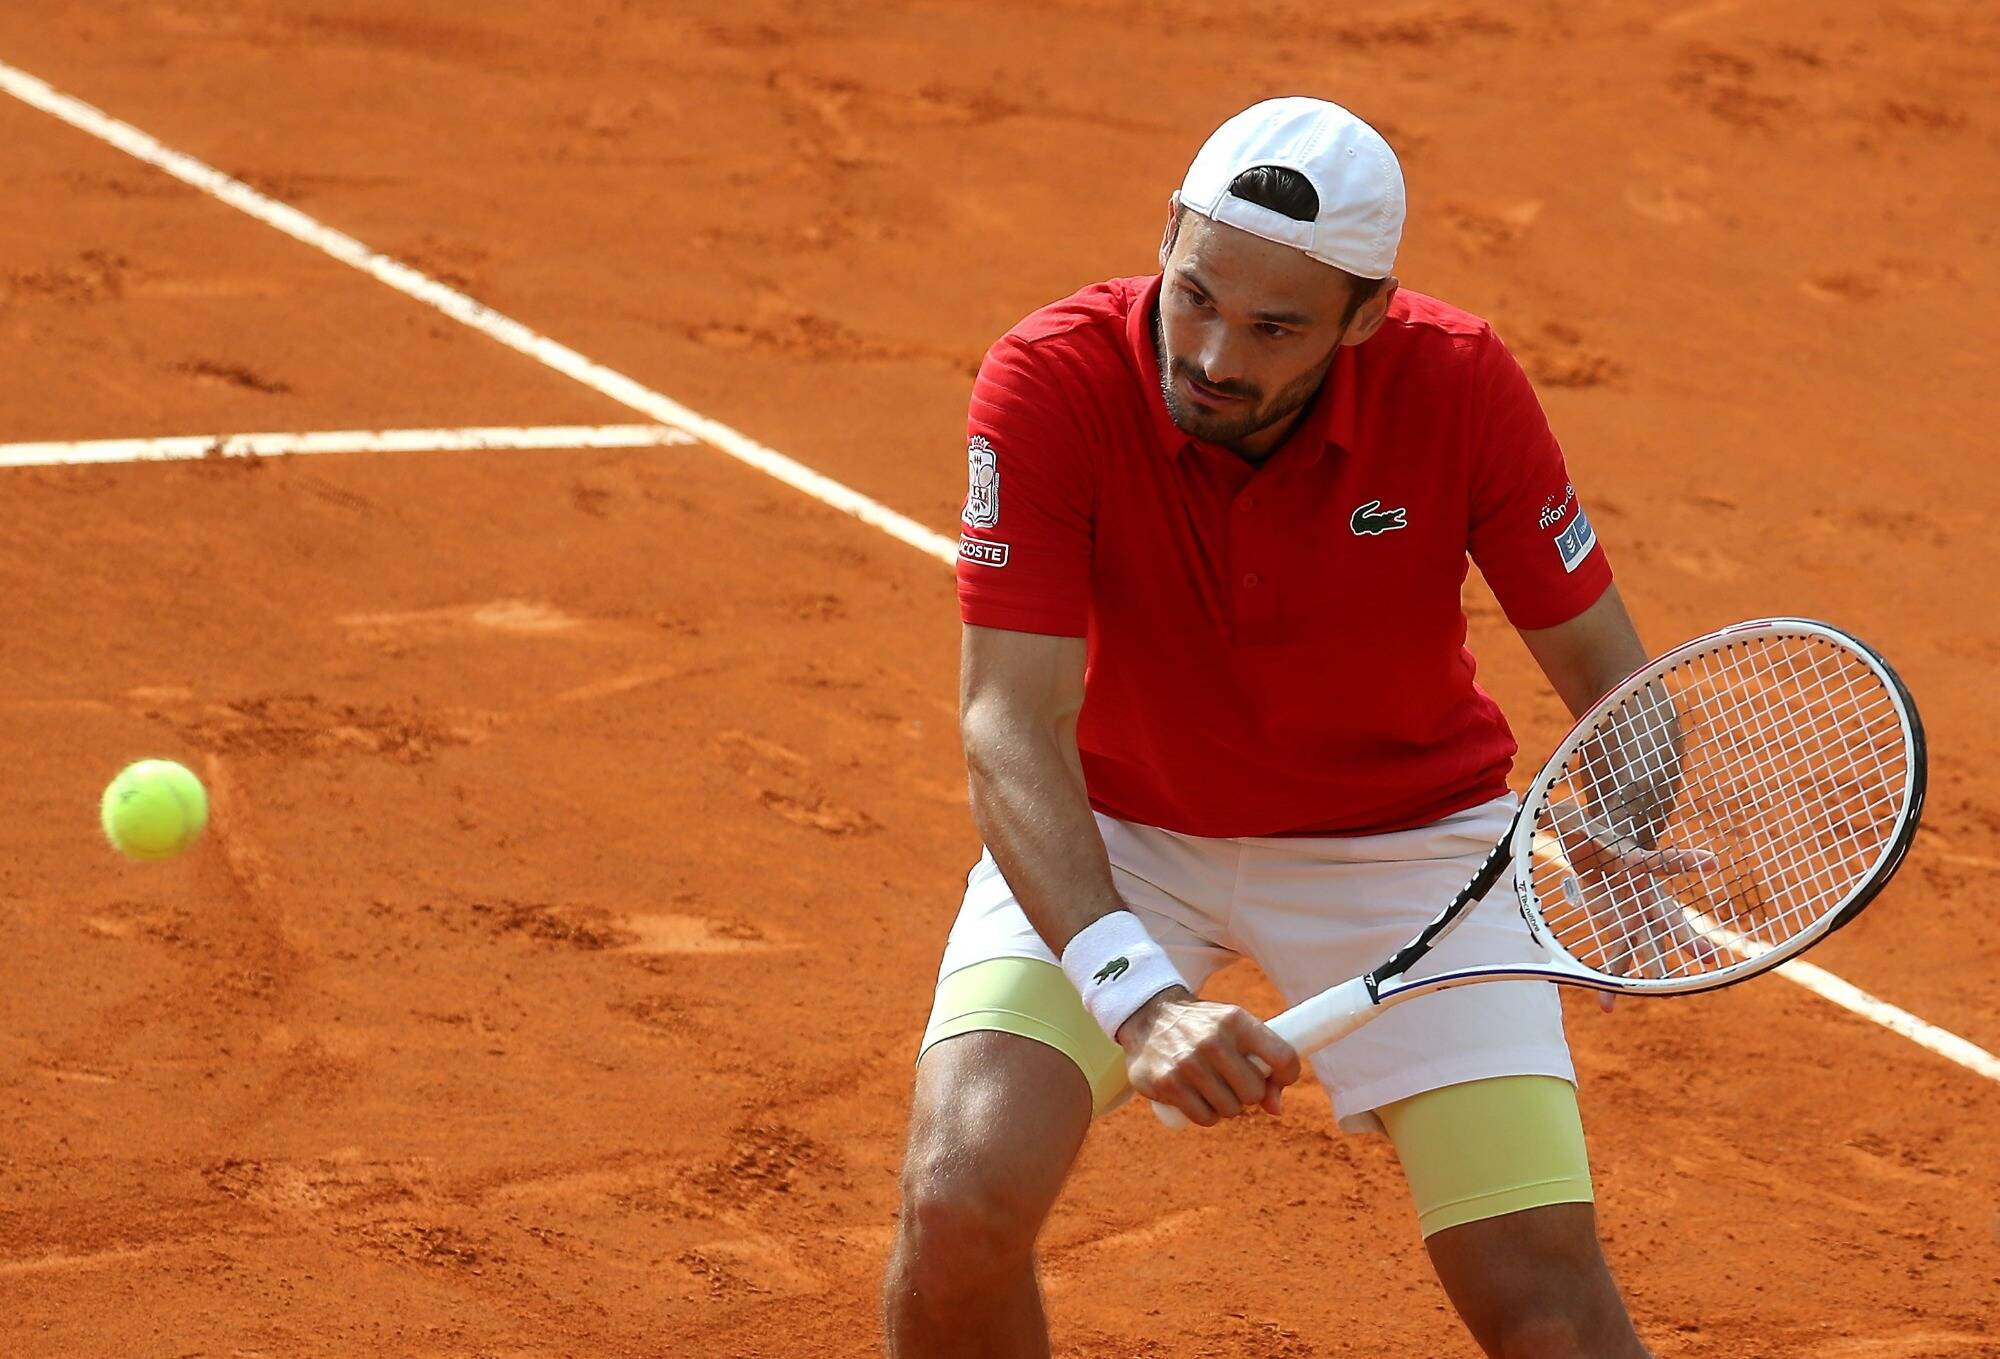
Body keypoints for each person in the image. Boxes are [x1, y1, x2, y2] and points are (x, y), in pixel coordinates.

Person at [884, 96, 1656, 1358]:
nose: (1211, 356)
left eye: (1273, 328)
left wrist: (1628, 812)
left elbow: (1607, 675)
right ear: (1167, 238)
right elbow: (1006, 722)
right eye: (1194, 296)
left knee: (1547, 1313)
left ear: (1365, 317)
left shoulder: (1458, 384)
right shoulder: (1053, 378)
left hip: (1410, 852)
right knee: (955, 1211)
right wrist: (1136, 999)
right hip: (1119, 835)